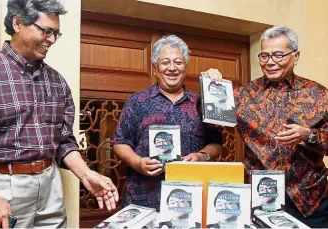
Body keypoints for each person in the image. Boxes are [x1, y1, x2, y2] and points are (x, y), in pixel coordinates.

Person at [0, 0, 118, 228]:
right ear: (18, 23)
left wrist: (87, 175)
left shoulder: (57, 82)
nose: (52, 40)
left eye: (56, 33)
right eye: (47, 31)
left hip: (50, 185)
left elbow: (63, 142)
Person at [205, 25, 328, 228]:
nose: (270, 62)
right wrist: (210, 83)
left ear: (295, 56)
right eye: (264, 56)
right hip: (259, 198)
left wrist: (309, 135)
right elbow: (210, 119)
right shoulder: (242, 95)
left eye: (278, 55)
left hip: (309, 200)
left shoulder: (320, 94)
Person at [113, 35, 222, 210]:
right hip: (142, 199)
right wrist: (137, 163)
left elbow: (216, 145)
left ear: (185, 67)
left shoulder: (202, 103)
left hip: (189, 199)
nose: (172, 68)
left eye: (178, 62)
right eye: (165, 62)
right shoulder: (137, 101)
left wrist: (202, 156)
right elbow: (120, 142)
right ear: (155, 68)